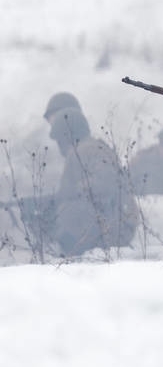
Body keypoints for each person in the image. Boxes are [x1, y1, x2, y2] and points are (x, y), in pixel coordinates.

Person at [20, 107, 138, 257]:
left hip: (116, 226)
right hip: (116, 223)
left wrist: (72, 193)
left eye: (59, 140)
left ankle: (65, 252)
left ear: (67, 136)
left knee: (67, 211)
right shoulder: (86, 148)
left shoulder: (86, 149)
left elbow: (105, 181)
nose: (59, 145)